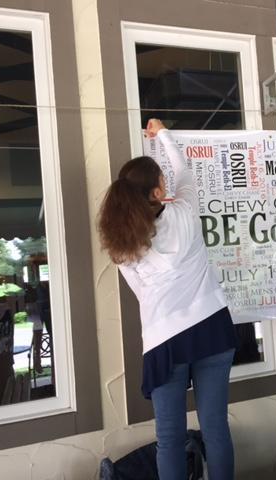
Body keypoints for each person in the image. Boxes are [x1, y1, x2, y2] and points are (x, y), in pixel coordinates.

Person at [98, 119, 237, 480]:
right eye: (162, 181)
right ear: (159, 192)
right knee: (215, 428)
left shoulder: (123, 244)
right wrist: (162, 135)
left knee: (170, 439)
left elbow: (140, 292)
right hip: (212, 328)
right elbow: (184, 170)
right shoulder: (185, 212)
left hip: (164, 341)